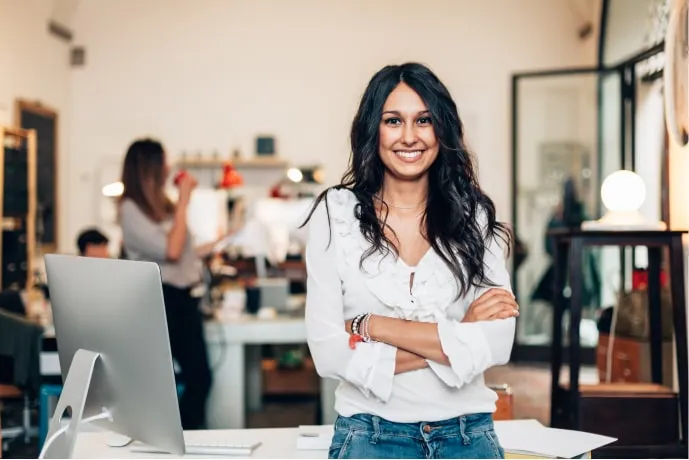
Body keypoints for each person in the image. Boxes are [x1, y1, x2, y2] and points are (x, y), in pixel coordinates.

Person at [302, 63, 519, 459]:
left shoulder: (474, 215)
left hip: (468, 435)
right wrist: (459, 334)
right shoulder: (335, 213)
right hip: (369, 435)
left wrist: (375, 326)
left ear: (442, 129)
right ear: (374, 129)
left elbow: (499, 342)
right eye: (392, 120)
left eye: (423, 120)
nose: (409, 136)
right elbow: (328, 353)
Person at [118, 138, 229, 429]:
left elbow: (184, 252)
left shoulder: (162, 207)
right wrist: (183, 202)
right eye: (163, 162)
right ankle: (175, 441)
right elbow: (172, 250)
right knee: (169, 384)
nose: (168, 168)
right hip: (160, 301)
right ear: (149, 168)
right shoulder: (130, 209)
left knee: (200, 378)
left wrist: (223, 240)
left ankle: (182, 441)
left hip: (183, 301)